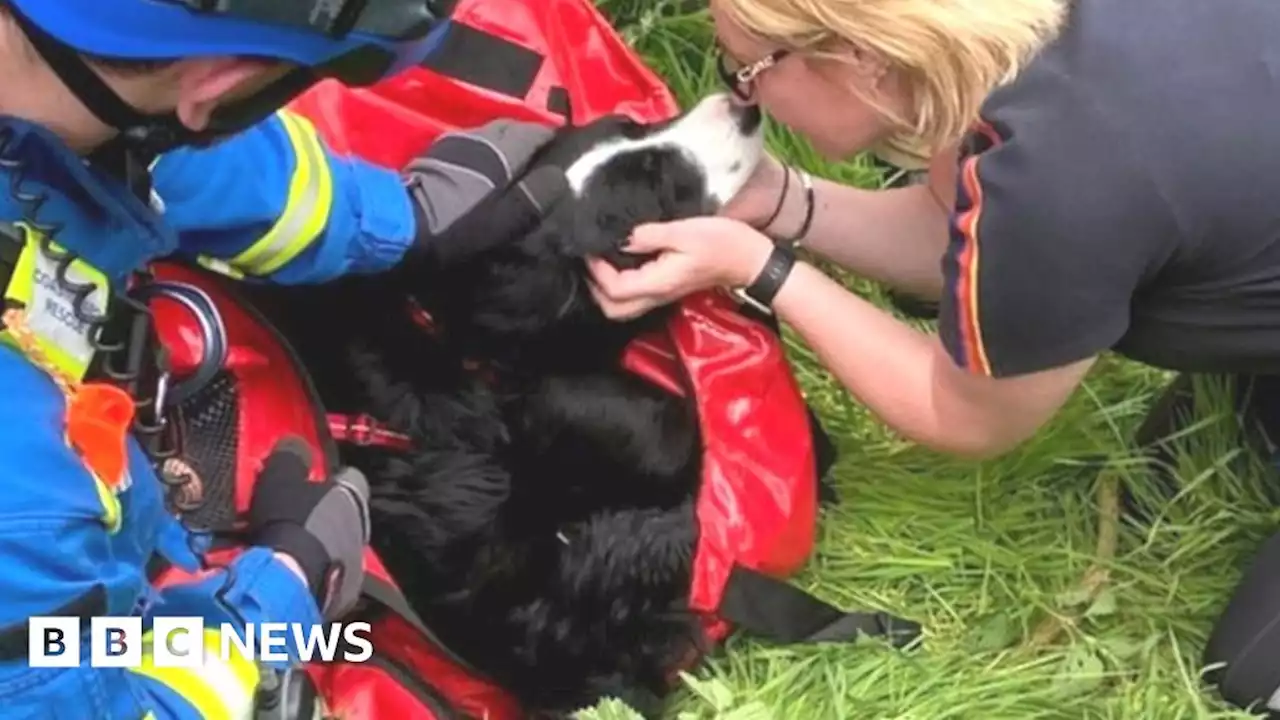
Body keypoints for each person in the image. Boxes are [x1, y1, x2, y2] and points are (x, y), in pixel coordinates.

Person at [583, 0, 1280, 713]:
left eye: (749, 70)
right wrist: (778, 202)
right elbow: (956, 238)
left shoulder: (1061, 171)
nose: (738, 95)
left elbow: (968, 414)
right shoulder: (995, 45)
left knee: (1251, 675)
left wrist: (759, 268)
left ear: (862, 59)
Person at [0, 0, 566, 717]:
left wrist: (396, 221)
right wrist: (279, 595)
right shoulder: (27, 523)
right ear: (217, 86)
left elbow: (136, 127)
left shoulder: (53, 66)